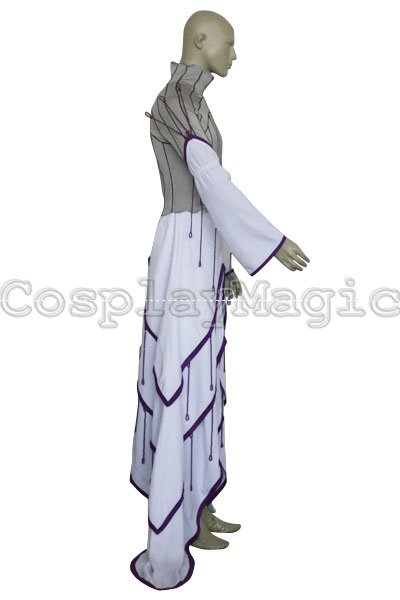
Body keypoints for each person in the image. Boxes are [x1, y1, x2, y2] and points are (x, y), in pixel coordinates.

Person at [129, 10, 310, 590]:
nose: (234, 54)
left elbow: (211, 191)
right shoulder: (175, 100)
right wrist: (269, 241)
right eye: (228, 44)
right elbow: (209, 180)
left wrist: (226, 262)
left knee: (203, 384)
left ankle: (197, 513)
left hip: (202, 254)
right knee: (180, 383)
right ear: (200, 41)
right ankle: (166, 547)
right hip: (183, 254)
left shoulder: (198, 103)